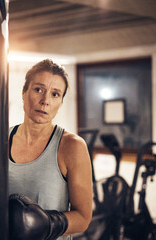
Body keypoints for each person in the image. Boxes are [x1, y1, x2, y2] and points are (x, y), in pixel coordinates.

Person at [8, 59, 93, 240]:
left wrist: (47, 223)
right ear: (24, 92)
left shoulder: (72, 146)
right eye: (38, 89)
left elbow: (83, 218)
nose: (45, 101)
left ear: (61, 102)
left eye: (55, 94)